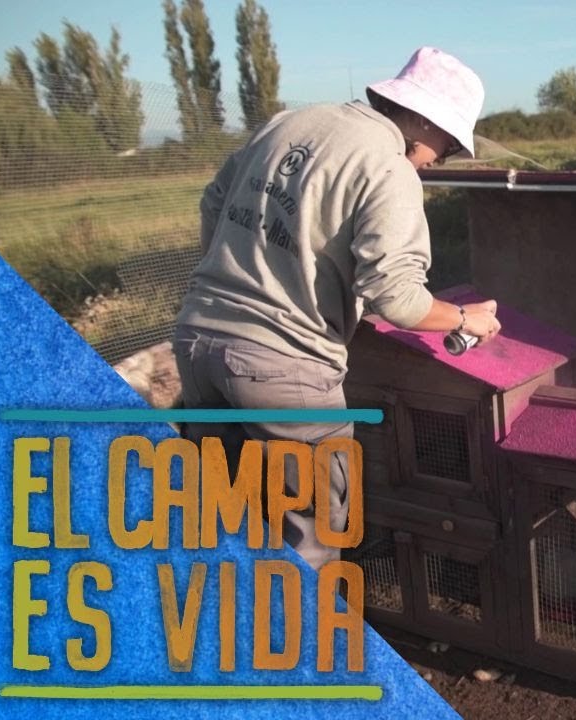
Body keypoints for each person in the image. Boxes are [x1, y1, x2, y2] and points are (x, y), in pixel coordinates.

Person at [173, 47, 502, 572]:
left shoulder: (289, 122)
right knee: (312, 535)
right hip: (284, 368)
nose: (443, 157)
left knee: (226, 517)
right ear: (418, 116)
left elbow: (213, 202)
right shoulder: (388, 165)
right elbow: (397, 298)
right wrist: (466, 320)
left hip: (197, 341)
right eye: (446, 141)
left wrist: (242, 275)